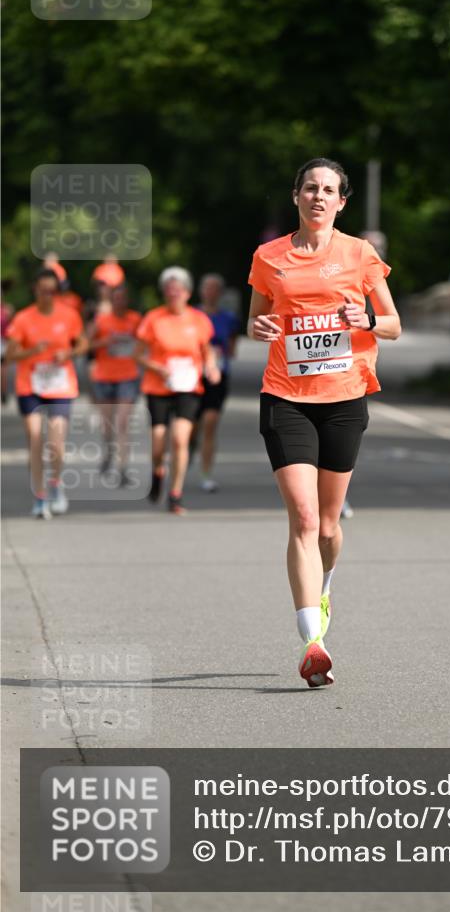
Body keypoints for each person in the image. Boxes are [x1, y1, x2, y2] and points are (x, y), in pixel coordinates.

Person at [247, 157, 401, 687]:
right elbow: (255, 320)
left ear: (341, 202)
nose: (318, 196)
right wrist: (260, 327)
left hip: (342, 398)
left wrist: (370, 320)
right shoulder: (270, 257)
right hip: (285, 396)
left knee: (330, 528)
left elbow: (394, 325)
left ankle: (325, 583)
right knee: (305, 521)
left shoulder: (359, 254)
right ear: (296, 196)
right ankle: (312, 641)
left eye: (328, 190)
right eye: (309, 187)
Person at [135, 267, 220, 515]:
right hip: (158, 386)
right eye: (169, 292)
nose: (173, 296)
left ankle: (175, 493)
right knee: (159, 445)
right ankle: (158, 469)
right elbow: (138, 354)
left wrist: (211, 367)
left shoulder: (199, 320)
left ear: (188, 293)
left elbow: (208, 349)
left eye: (178, 292)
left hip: (188, 385)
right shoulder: (153, 319)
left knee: (180, 438)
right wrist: (157, 368)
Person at [4, 268, 88, 518]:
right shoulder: (23, 318)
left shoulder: (70, 315)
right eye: (43, 291)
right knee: (35, 439)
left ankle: (56, 486)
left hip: (60, 385)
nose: (47, 295)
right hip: (30, 384)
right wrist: (31, 352)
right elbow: (9, 356)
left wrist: (69, 354)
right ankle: (39, 496)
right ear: (35, 290)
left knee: (56, 442)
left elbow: (83, 343)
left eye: (52, 291)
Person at [87, 282, 142, 484]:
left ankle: (123, 468)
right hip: (104, 377)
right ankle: (108, 453)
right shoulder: (101, 320)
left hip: (128, 376)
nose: (119, 302)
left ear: (127, 300)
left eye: (123, 298)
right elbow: (84, 343)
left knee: (123, 423)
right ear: (111, 301)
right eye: (115, 298)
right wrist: (103, 343)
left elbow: (146, 343)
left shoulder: (136, 320)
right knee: (108, 425)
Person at [193, 273, 241, 492]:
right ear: (201, 291)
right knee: (191, 428)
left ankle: (206, 474)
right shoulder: (191, 315)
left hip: (218, 375)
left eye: (215, 288)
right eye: (207, 288)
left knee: (210, 423)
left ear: (220, 293)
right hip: (191, 376)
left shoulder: (228, 318)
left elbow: (232, 349)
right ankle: (189, 451)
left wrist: (216, 355)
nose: (210, 292)